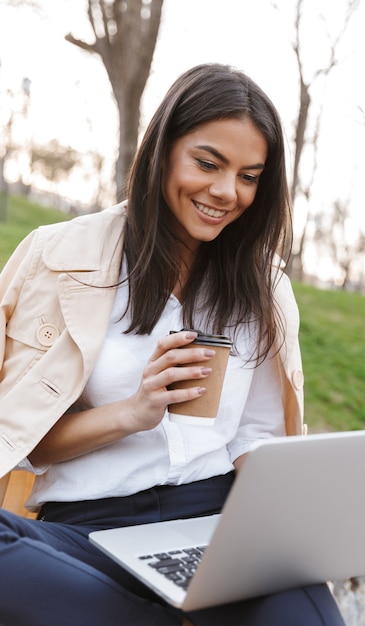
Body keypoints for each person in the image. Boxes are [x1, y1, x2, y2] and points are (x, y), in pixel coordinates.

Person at [0, 63, 345, 625]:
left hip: (218, 524)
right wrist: (132, 413)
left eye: (249, 176)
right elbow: (24, 439)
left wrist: (294, 522)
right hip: (89, 531)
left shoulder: (264, 284)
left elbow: (256, 437)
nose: (226, 192)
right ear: (162, 148)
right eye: (208, 163)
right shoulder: (56, 256)